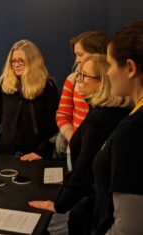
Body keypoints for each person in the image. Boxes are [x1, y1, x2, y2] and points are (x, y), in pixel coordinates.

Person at [29, 54, 132, 235]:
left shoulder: (100, 119)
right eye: (79, 74)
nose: (79, 80)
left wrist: (59, 204)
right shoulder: (104, 111)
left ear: (102, 82)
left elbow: (85, 170)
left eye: (84, 75)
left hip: (96, 210)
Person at [92, 20, 143, 235]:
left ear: (130, 68)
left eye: (110, 64)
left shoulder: (132, 131)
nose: (108, 72)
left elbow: (129, 228)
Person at [0, 39, 59, 161]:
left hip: (37, 155)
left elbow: (53, 124)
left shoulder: (47, 87)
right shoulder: (2, 84)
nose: (16, 65)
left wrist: (42, 151)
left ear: (33, 61)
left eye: (21, 61)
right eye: (13, 61)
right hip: (7, 152)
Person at [55, 31, 109, 157]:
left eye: (80, 54)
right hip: (77, 150)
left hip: (102, 152)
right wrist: (73, 139)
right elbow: (62, 114)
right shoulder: (73, 79)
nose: (77, 60)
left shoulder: (116, 83)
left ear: (98, 54)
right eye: (75, 55)